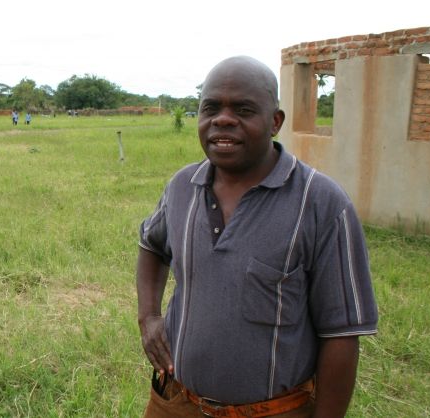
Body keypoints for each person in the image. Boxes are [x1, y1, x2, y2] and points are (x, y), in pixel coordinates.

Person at [136, 56, 377, 418]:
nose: (223, 119)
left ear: (275, 122)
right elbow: (152, 246)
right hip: (175, 403)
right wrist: (149, 317)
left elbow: (341, 335)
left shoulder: (321, 203)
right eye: (211, 108)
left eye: (244, 109)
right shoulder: (182, 186)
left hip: (275, 410)